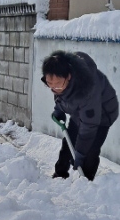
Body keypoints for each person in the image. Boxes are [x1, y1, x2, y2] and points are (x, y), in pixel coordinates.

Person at [42, 50, 119, 181]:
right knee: (68, 144)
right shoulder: (60, 79)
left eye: (57, 85)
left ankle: (86, 182)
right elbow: (62, 94)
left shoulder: (87, 89)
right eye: (50, 84)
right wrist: (59, 108)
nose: (54, 89)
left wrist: (81, 152)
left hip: (102, 115)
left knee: (89, 152)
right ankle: (60, 173)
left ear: (69, 77)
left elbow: (89, 125)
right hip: (80, 111)